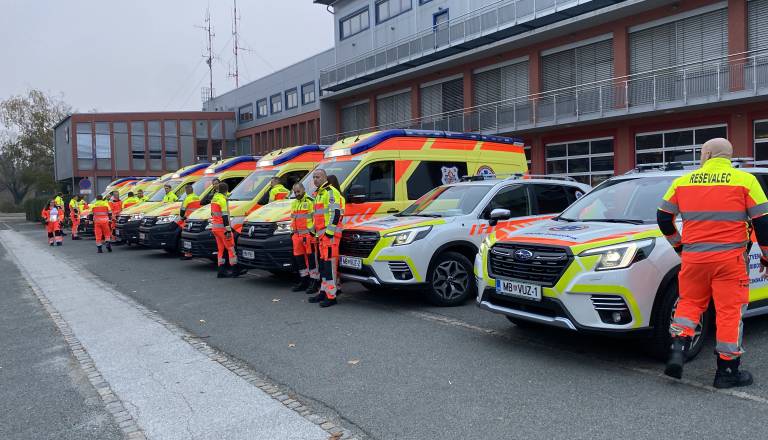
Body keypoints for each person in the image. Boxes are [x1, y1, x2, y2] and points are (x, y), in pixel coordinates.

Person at [657, 138, 768, 389]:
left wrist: (679, 246)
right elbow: (763, 222)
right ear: (728, 156)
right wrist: (766, 257)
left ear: (707, 154)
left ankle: (677, 350)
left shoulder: (682, 182)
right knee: (729, 312)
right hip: (730, 261)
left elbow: (663, 218)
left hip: (694, 259)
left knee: (689, 303)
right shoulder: (746, 181)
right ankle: (727, 371)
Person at [308, 169, 345, 307]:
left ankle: (331, 296)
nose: (315, 179)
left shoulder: (330, 192)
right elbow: (317, 216)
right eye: (314, 177)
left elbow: (335, 214)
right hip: (322, 236)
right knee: (324, 266)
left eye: (318, 177)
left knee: (329, 266)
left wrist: (329, 233)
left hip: (330, 237)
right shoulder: (319, 194)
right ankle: (323, 292)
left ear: (325, 178)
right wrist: (313, 231)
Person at [210, 182, 246, 278]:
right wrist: (228, 229)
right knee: (231, 248)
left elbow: (212, 214)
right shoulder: (222, 200)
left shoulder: (214, 198)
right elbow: (225, 216)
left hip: (215, 228)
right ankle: (235, 270)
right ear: (226, 190)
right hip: (223, 228)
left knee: (221, 249)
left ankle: (221, 271)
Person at [290, 182, 319, 292]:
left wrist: (312, 233)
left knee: (312, 261)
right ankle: (304, 281)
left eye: (298, 191)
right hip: (296, 236)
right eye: (295, 192)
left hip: (308, 236)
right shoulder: (294, 203)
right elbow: (293, 218)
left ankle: (314, 282)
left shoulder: (310, 201)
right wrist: (292, 233)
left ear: (303, 190)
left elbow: (316, 218)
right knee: (300, 260)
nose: (297, 194)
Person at [179, 184, 201, 260]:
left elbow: (182, 210)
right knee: (192, 238)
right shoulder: (197, 197)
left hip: (188, 221)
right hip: (196, 219)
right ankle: (193, 252)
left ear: (187, 190)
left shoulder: (187, 198)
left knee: (186, 237)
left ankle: (187, 254)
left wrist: (182, 216)